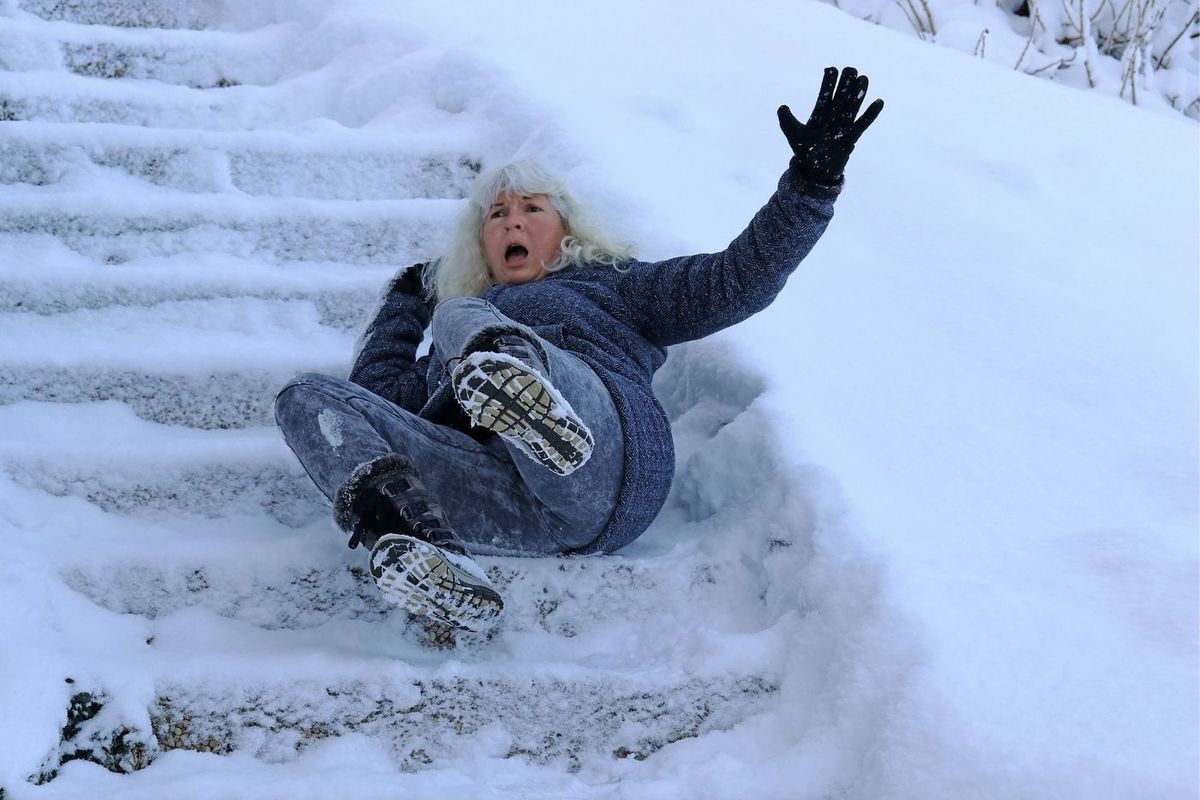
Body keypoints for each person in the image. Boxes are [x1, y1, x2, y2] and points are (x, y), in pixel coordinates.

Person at [274, 66, 884, 633]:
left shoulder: (615, 285)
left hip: (605, 468)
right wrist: (408, 299)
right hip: (505, 507)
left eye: (530, 209)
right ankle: (423, 546)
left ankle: (531, 402)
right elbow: (374, 399)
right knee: (305, 397)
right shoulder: (450, 344)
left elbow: (737, 280)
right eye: (496, 216)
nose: (512, 223)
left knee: (469, 317)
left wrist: (811, 185)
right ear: (480, 244)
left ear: (566, 229)